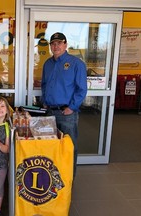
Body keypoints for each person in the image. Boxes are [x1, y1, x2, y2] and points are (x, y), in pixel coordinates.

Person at [41, 32, 87, 177]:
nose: (56, 46)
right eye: (53, 44)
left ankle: (68, 180)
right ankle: (54, 178)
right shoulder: (48, 64)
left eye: (59, 43)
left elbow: (82, 89)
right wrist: (45, 102)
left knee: (68, 148)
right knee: (51, 147)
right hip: (50, 113)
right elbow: (44, 85)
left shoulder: (76, 64)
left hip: (66, 115)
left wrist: (72, 108)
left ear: (65, 45)